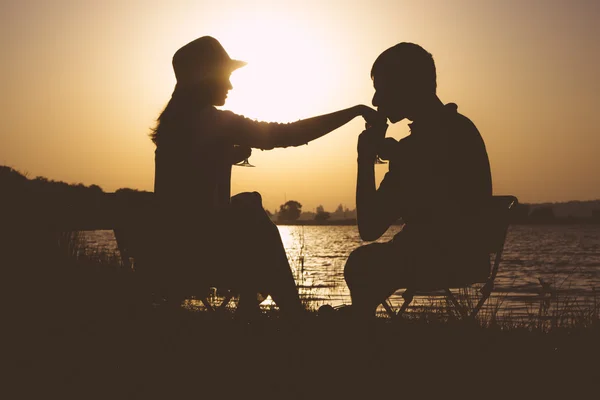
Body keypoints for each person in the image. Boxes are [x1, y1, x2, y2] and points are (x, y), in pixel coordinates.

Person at [150, 36, 381, 317]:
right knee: (250, 211)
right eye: (225, 76)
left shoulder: (174, 124)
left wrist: (227, 155)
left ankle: (253, 308)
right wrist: (353, 112)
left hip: (171, 250)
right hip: (202, 255)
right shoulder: (213, 120)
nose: (230, 85)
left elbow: (189, 172)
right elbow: (288, 134)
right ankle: (295, 316)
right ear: (204, 77)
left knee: (247, 204)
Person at [343, 43, 493, 317]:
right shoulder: (462, 128)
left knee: (360, 262)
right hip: (472, 259)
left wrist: (365, 158)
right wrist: (397, 154)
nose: (375, 101)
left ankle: (361, 331)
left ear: (405, 86)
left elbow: (369, 227)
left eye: (381, 88)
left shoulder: (416, 148)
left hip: (437, 260)